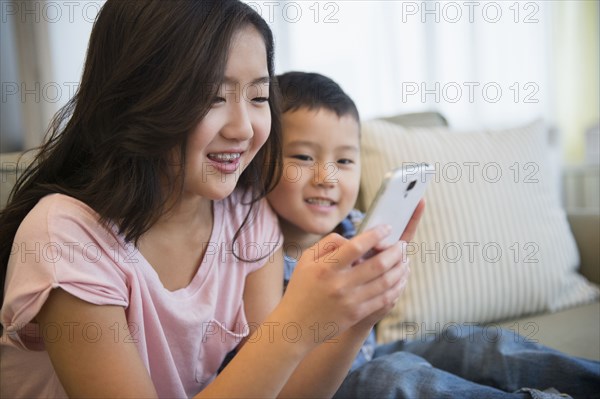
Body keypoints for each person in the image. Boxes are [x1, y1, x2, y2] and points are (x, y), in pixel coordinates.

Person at [0, 2, 419, 398]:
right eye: (212, 97)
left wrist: (358, 318)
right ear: (136, 98)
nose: (243, 129)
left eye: (257, 98)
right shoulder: (67, 234)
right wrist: (299, 321)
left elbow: (284, 392)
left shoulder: (247, 213)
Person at [268, 71, 600, 399]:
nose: (327, 177)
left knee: (475, 343)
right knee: (395, 378)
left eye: (343, 160)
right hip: (321, 382)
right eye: (303, 157)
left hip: (370, 353)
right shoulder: (260, 255)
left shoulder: (356, 227)